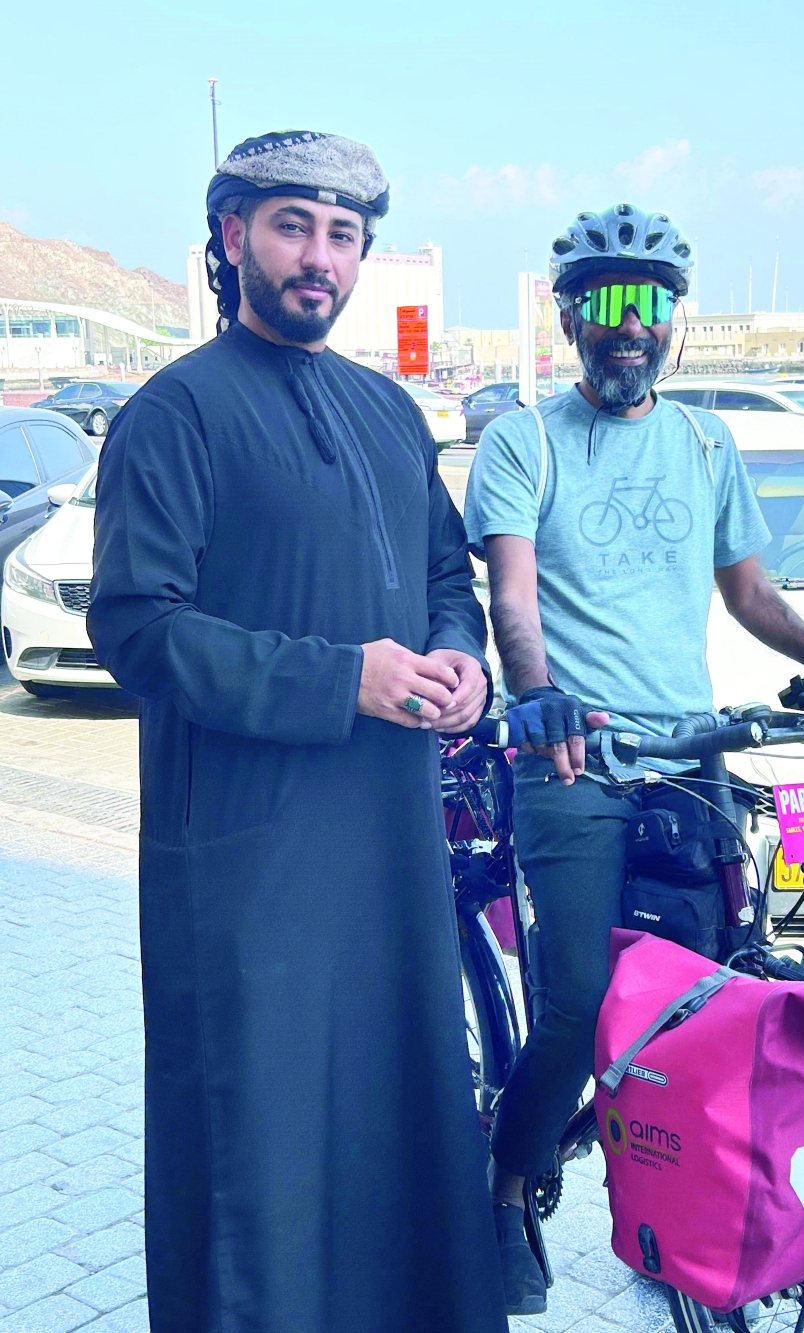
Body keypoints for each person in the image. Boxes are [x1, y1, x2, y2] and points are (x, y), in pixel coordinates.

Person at [463, 203, 804, 1314]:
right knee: (575, 1002)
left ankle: (690, 1204)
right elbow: (514, 602)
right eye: (608, 304)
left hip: (687, 759)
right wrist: (539, 698)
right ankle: (505, 1185)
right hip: (569, 763)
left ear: (674, 320)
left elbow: (751, 594)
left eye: (652, 305)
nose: (631, 327)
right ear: (570, 314)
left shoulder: (706, 443)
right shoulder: (523, 440)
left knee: (714, 993)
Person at [87, 130, 506, 1333]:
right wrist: (344, 679)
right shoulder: (173, 414)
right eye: (291, 228)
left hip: (387, 845)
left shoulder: (386, 411)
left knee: (400, 1107)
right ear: (232, 239)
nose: (318, 258)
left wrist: (459, 661)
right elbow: (138, 629)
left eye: (343, 237)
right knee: (260, 1139)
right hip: (248, 857)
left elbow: (443, 575)